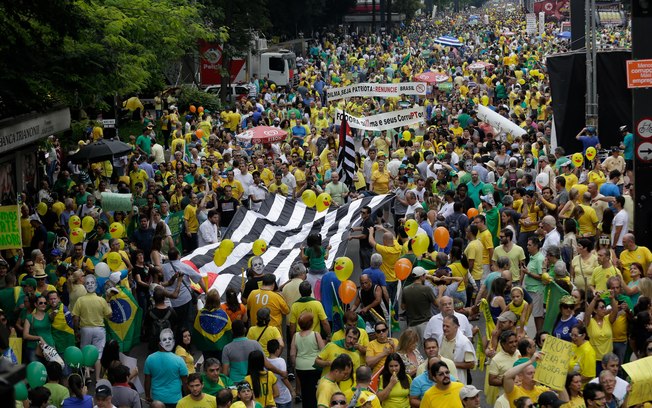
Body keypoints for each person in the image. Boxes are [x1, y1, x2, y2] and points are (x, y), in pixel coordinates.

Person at [72, 274, 112, 381]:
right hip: (99, 329)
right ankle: (98, 378)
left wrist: (76, 330)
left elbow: (75, 318)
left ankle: (87, 374)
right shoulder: (101, 300)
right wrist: (108, 302)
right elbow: (109, 315)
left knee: (85, 351)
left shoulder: (80, 300)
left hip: (85, 329)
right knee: (98, 354)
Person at [144, 328, 189, 406]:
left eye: (170, 339)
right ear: (160, 343)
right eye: (165, 339)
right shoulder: (179, 360)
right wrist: (188, 397)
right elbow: (185, 382)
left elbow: (147, 381)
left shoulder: (150, 359)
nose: (168, 341)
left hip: (157, 400)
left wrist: (147, 396)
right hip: (175, 400)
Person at [291, 311, 325, 408]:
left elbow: (292, 354)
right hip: (314, 367)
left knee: (305, 390)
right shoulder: (315, 334)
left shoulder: (296, 336)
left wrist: (295, 365)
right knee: (314, 391)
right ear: (311, 323)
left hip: (300, 367)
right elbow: (323, 350)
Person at [400, 267, 437, 343]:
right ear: (421, 276)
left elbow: (403, 307)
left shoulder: (406, 289)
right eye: (424, 275)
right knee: (427, 347)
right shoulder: (426, 289)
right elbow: (437, 304)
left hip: (411, 324)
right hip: (425, 324)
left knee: (414, 348)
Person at [437, 315, 475, 385]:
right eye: (443, 326)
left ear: (456, 327)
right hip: (441, 379)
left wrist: (451, 364)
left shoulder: (464, 342)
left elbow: (471, 364)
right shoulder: (440, 338)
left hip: (457, 378)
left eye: (447, 326)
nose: (444, 328)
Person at [486, 330, 520, 405]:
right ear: (503, 344)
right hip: (506, 398)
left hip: (521, 396)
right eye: (511, 342)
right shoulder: (496, 359)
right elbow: (491, 381)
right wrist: (509, 382)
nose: (514, 344)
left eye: (515, 341)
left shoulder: (520, 353)